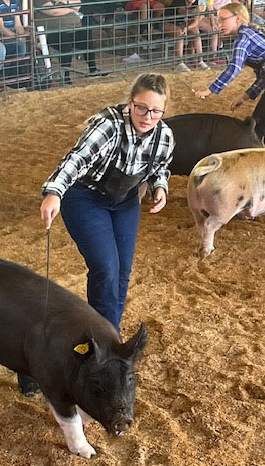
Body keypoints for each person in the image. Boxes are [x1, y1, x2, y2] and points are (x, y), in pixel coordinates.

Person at [40, 73, 174, 331]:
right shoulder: (107, 125)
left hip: (125, 201)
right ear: (130, 102)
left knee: (122, 273)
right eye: (141, 108)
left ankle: (108, 332)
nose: (147, 117)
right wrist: (54, 192)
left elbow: (161, 167)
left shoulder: (164, 136)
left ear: (164, 110)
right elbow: (76, 159)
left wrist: (160, 186)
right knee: (105, 269)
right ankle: (105, 337)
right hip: (85, 197)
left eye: (156, 111)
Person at [195, 3, 265, 147]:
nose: (219, 24)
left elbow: (234, 68)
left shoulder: (243, 38)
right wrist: (244, 97)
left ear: (238, 19)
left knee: (250, 135)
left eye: (223, 19)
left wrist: (210, 90)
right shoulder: (252, 33)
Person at [33, 0, 106, 85]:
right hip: (53, 31)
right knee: (65, 41)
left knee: (86, 35)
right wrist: (70, 8)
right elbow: (52, 11)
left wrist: (65, 3)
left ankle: (93, 69)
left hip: (74, 28)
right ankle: (65, 76)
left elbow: (78, 3)